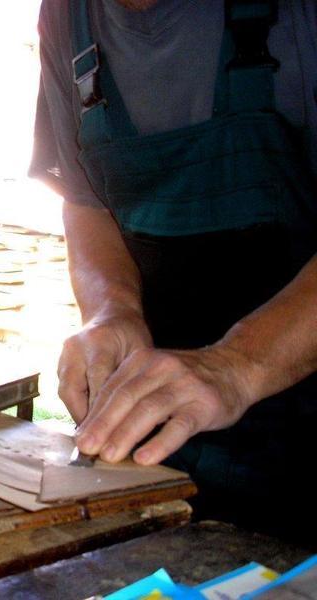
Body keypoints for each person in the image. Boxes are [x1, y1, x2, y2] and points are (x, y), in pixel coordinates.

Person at [30, 0, 317, 541]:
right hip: (174, 431)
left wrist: (238, 365)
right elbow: (86, 201)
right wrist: (113, 310)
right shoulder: (66, 15)